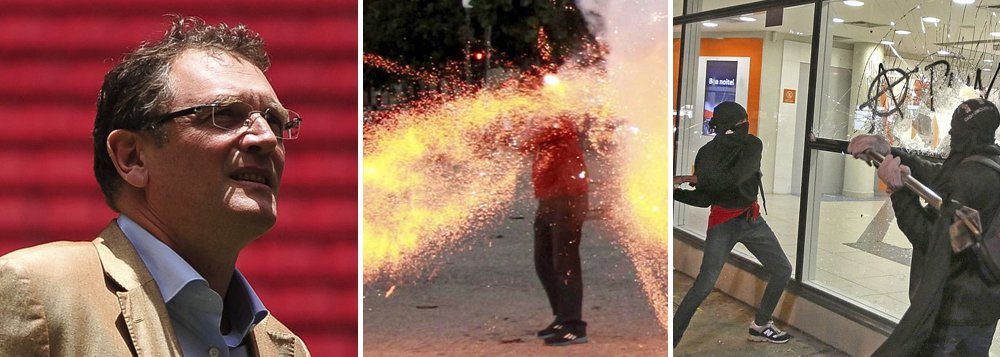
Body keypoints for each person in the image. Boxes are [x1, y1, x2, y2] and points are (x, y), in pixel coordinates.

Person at [0, 16, 309, 356]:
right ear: (133, 158)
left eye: (275, 120)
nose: (266, 138)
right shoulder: (39, 291)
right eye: (225, 114)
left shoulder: (287, 348)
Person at [847, 98, 1000, 356]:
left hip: (953, 308)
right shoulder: (987, 163)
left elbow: (932, 240)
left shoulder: (971, 180)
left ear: (969, 133)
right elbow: (939, 175)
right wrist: (889, 152)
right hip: (986, 304)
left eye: (956, 129)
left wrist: (898, 191)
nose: (951, 134)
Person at [673, 101, 793, 346]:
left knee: (782, 269)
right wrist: (674, 192)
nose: (745, 126)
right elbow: (704, 198)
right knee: (704, 285)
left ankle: (760, 326)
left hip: (751, 219)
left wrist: (693, 177)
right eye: (741, 122)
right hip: (723, 222)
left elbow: (738, 178)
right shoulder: (708, 153)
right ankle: (670, 341)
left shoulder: (751, 145)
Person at [515, 114, 590, 346]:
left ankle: (573, 326)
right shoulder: (546, 119)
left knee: (564, 263)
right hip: (549, 197)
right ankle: (562, 316)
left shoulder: (557, 120)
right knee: (544, 260)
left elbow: (524, 142)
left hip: (568, 197)